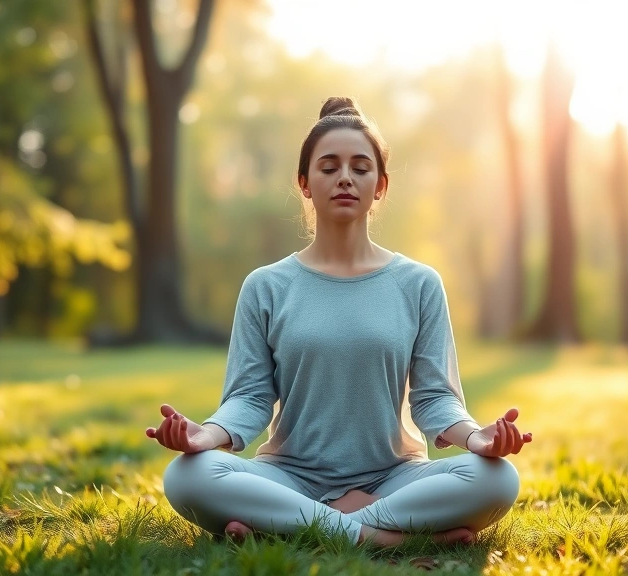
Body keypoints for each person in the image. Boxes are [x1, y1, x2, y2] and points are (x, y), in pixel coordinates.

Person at [144, 96, 533, 548]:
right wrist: (203, 434)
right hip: (288, 477)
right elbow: (249, 398)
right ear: (305, 183)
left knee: (497, 479)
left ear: (380, 185)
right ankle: (381, 538)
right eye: (329, 167)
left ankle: (291, 527)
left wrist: (477, 439)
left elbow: (434, 399)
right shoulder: (266, 286)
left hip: (394, 477)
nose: (345, 177)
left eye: (360, 167)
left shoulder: (419, 284)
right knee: (188, 475)